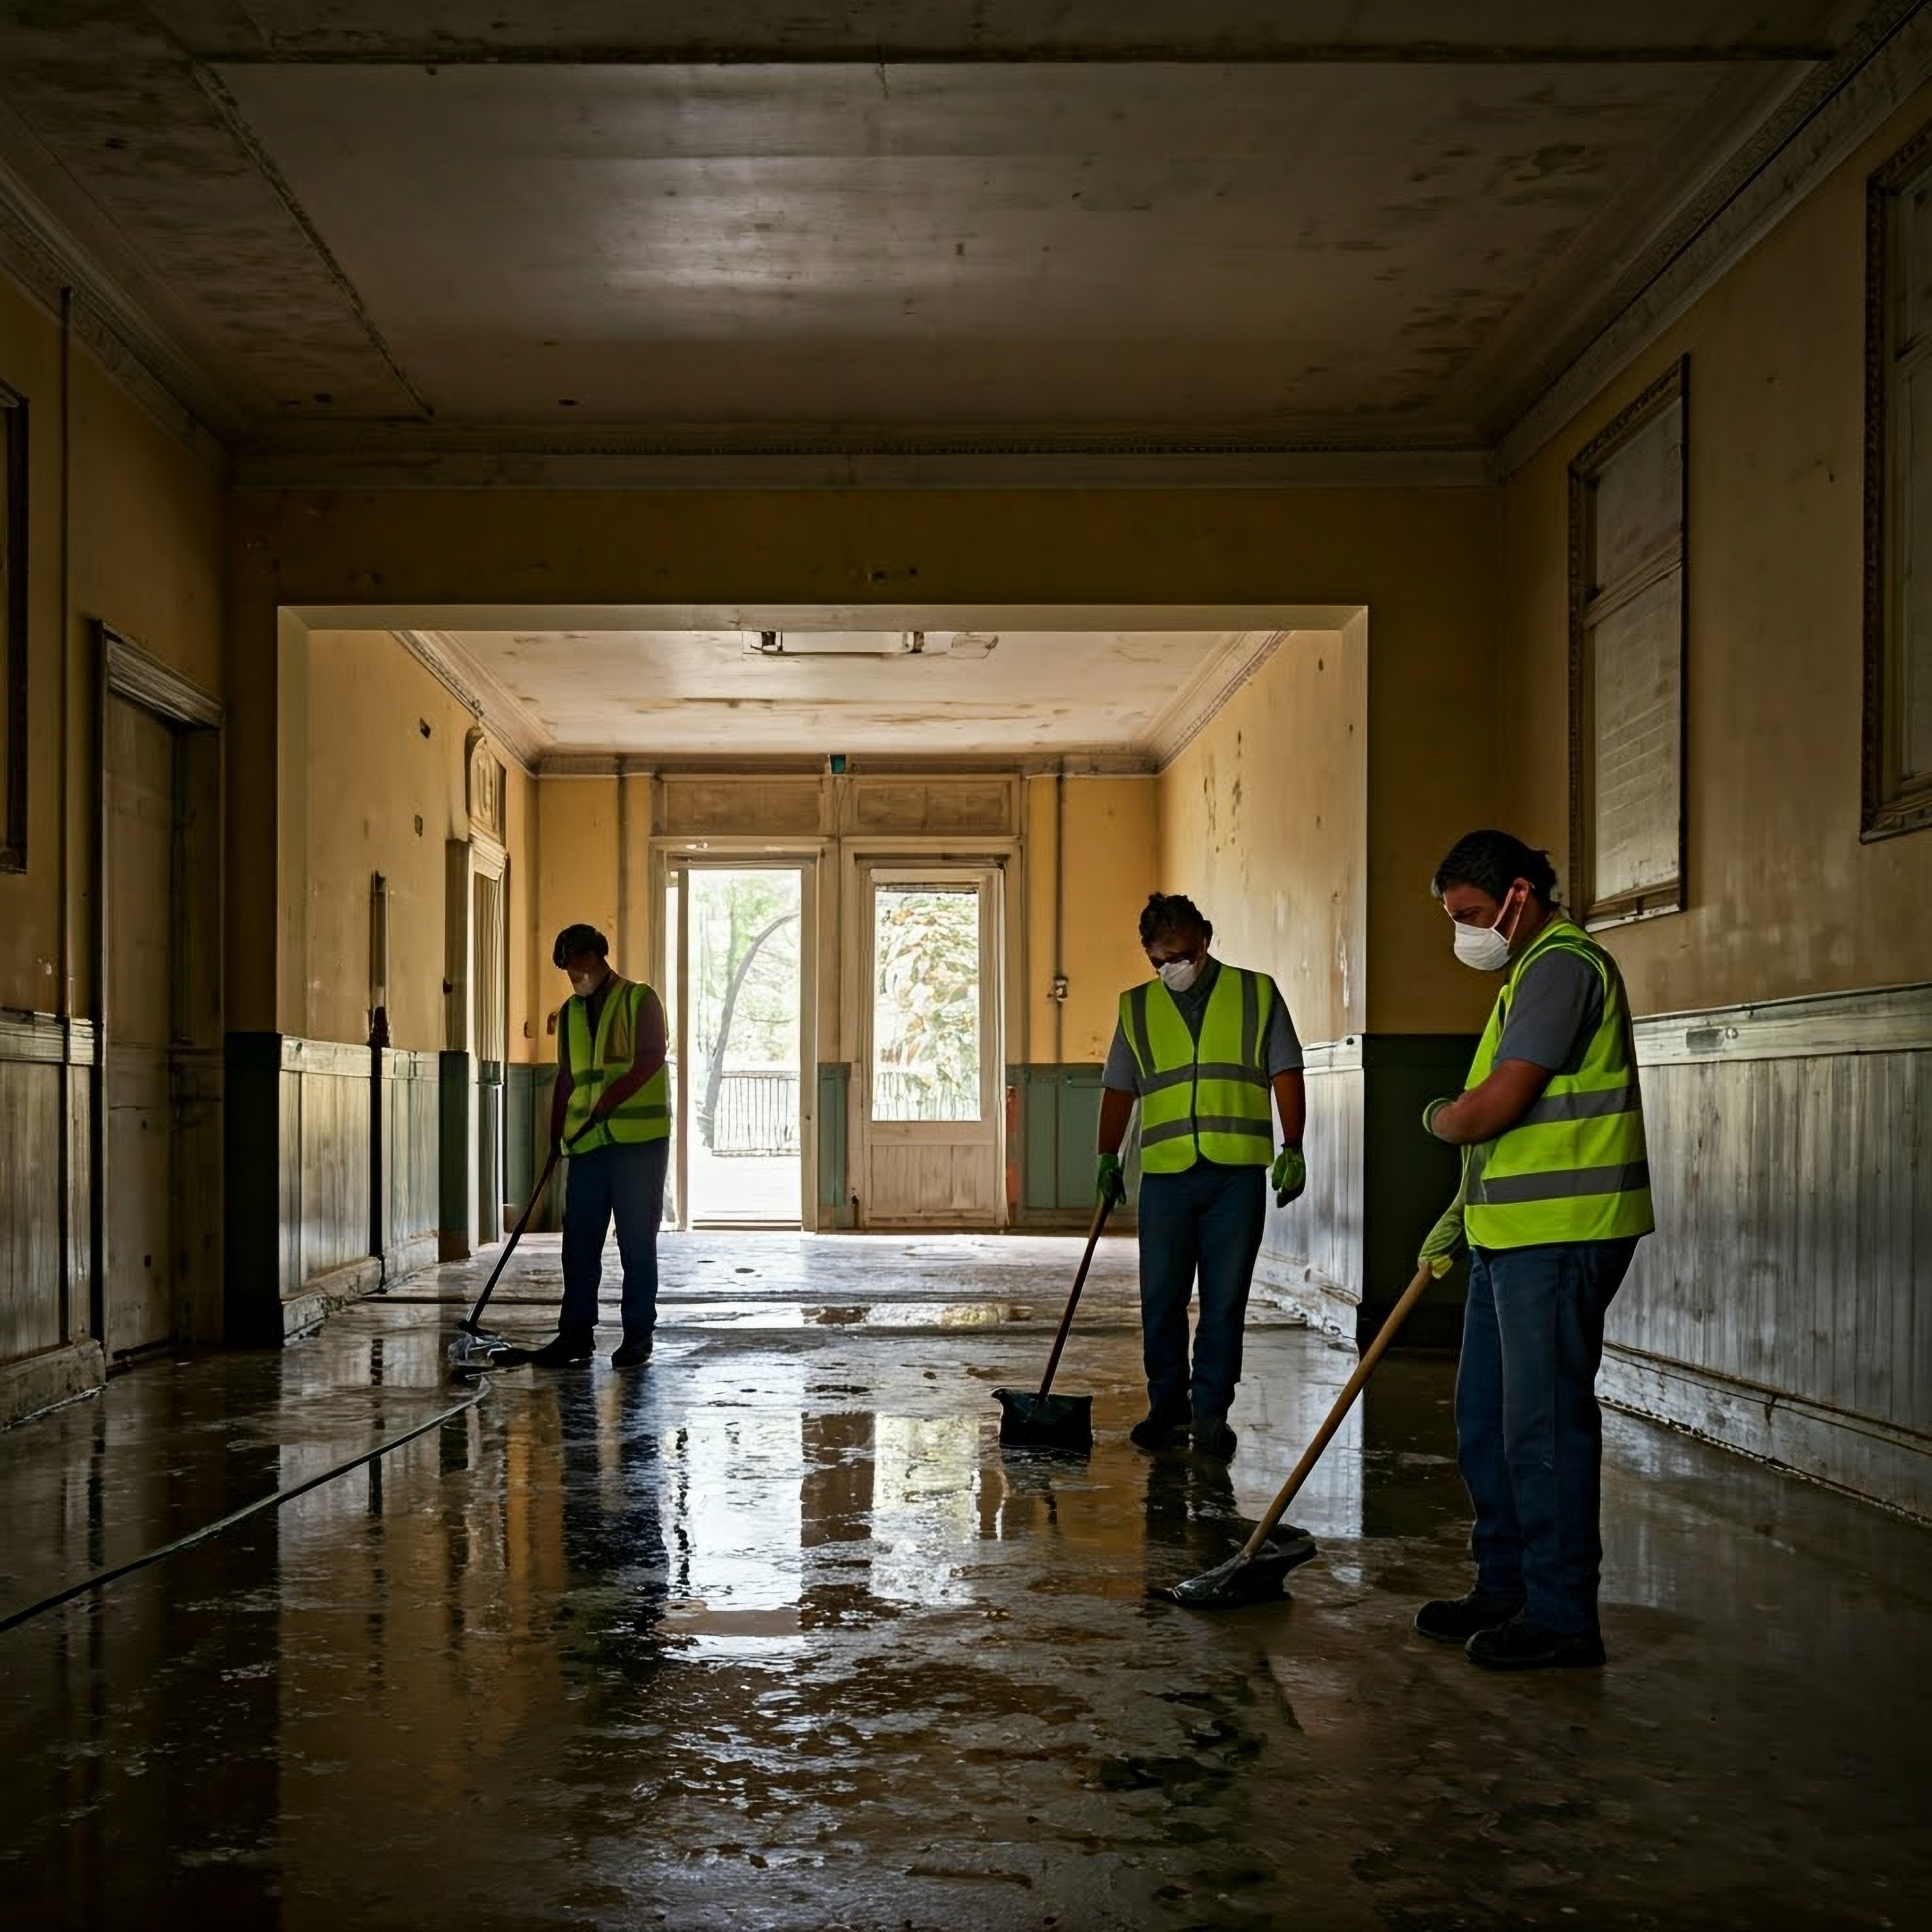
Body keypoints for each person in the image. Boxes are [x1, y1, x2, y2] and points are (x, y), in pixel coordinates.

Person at [1414, 830, 1653, 1670]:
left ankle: (1560, 1615)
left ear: (1518, 894)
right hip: (1507, 1235)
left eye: (1470, 914)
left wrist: (1441, 1117)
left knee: (1542, 1428)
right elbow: (1503, 1144)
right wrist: (1461, 1215)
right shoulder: (1525, 974)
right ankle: (1505, 1583)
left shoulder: (1560, 965)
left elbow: (1495, 1108)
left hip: (1561, 1237)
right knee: (1488, 1421)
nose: (1464, 932)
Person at [1097, 892, 1307, 1462]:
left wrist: (1294, 1144)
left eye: (1180, 955)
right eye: (1157, 960)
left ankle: (1211, 1412)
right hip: (1165, 1175)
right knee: (1160, 1298)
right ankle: (1167, 1407)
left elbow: (1285, 1067)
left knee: (1224, 1298)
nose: (1170, 969)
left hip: (1235, 1174)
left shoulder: (1255, 993)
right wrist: (1106, 1155)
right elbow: (1120, 1086)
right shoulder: (1137, 1007)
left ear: (1205, 940)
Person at [497, 923, 670, 1370]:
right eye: (567, 969)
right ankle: (575, 1335)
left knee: (636, 1243)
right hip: (587, 1145)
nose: (574, 974)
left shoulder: (640, 999)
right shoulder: (571, 1012)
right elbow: (568, 1079)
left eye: (578, 964)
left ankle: (638, 1337)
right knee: (579, 1244)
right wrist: (556, 1136)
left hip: (638, 1144)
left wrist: (609, 1104)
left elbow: (651, 1058)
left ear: (599, 957)